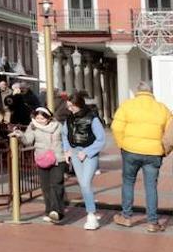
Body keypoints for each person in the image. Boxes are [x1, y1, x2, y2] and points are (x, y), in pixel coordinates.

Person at [111, 81, 173, 232]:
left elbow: (116, 127)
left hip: (130, 150)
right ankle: (152, 222)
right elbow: (170, 134)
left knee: (128, 182)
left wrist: (122, 145)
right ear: (152, 92)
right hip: (154, 153)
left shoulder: (127, 105)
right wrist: (165, 150)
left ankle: (126, 217)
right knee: (151, 186)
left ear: (138, 92)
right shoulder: (162, 108)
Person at [64, 92, 106, 230]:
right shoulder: (69, 119)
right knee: (83, 184)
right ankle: (91, 211)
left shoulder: (92, 118)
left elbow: (101, 139)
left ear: (78, 104)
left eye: (72, 106)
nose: (70, 109)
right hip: (75, 152)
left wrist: (87, 152)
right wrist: (67, 150)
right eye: (68, 106)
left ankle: (91, 214)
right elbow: (65, 134)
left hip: (89, 154)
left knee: (86, 183)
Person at [17, 106, 66, 223]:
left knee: (57, 183)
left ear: (48, 118)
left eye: (42, 118)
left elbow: (66, 139)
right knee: (46, 187)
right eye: (37, 117)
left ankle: (57, 211)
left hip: (58, 158)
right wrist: (20, 135)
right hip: (42, 159)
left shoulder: (58, 126)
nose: (39, 120)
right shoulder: (33, 126)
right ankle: (49, 211)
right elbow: (28, 140)